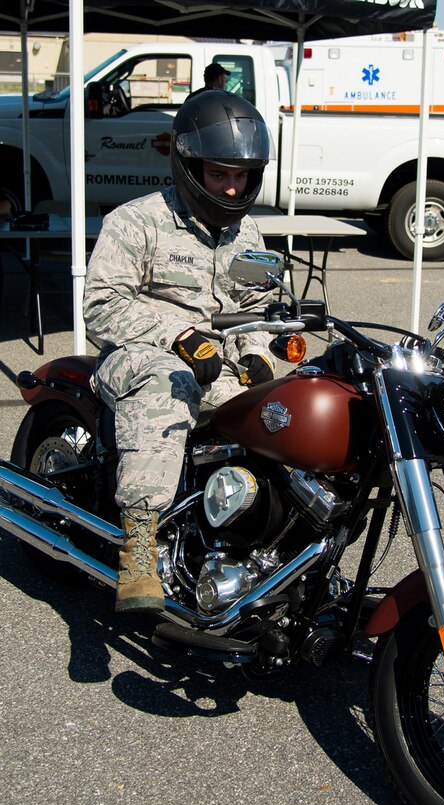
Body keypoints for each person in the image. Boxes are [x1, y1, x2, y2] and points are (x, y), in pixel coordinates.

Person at [83, 91, 275, 615]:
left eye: (241, 176)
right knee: (171, 380)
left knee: (289, 406)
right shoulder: (136, 222)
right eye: (219, 175)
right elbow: (100, 307)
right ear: (189, 166)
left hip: (217, 366)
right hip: (136, 358)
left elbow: (259, 305)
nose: (232, 187)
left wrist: (258, 353)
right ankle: (140, 545)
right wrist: (177, 336)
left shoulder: (248, 231)